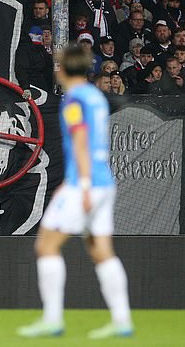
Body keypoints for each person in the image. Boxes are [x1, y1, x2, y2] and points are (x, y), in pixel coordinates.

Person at [17, 45, 133, 339]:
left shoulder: (74, 100)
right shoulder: (95, 96)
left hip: (86, 182)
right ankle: (122, 321)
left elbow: (81, 141)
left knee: (46, 246)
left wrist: (78, 185)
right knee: (102, 251)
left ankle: (52, 319)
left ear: (64, 69)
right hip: (104, 181)